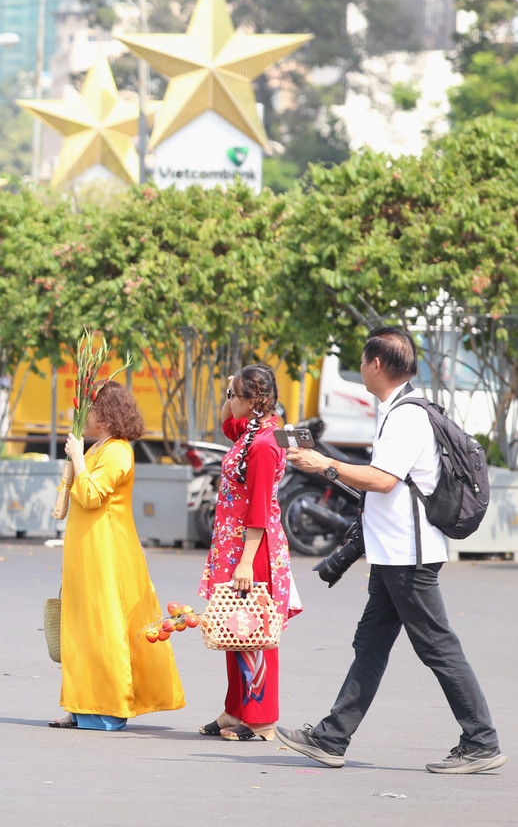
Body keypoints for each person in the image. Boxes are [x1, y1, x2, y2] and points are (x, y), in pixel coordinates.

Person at [279, 326, 505, 774]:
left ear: (377, 364)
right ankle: (331, 737)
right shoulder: (395, 410)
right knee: (372, 643)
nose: (361, 368)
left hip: (409, 554)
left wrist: (324, 463)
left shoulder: (406, 416)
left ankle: (481, 740)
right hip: (392, 553)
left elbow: (383, 478)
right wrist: (329, 469)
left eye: (362, 361)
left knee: (437, 646)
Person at [52, 381, 185, 730]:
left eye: (91, 410)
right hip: (87, 550)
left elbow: (92, 496)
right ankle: (80, 704)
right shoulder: (100, 447)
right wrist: (80, 458)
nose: (85, 416)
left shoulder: (118, 451)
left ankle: (107, 706)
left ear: (107, 415)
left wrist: (78, 460)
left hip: (106, 553)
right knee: (81, 627)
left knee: (103, 627)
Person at [197, 364, 300, 742]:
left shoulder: (263, 444)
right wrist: (230, 391)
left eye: (235, 396)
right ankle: (235, 709)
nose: (229, 402)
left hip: (251, 548)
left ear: (253, 401)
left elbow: (258, 507)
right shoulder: (252, 431)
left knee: (253, 632)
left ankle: (261, 719)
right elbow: (226, 423)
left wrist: (244, 562)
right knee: (232, 626)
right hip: (236, 544)